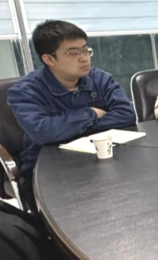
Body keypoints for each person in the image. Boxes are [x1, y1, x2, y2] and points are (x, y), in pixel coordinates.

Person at [7, 20, 135, 204]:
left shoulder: (100, 79)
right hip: (48, 171)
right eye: (73, 53)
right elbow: (44, 132)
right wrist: (91, 113)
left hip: (102, 159)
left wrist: (66, 128)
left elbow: (126, 115)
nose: (84, 58)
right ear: (49, 59)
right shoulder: (24, 92)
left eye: (86, 50)